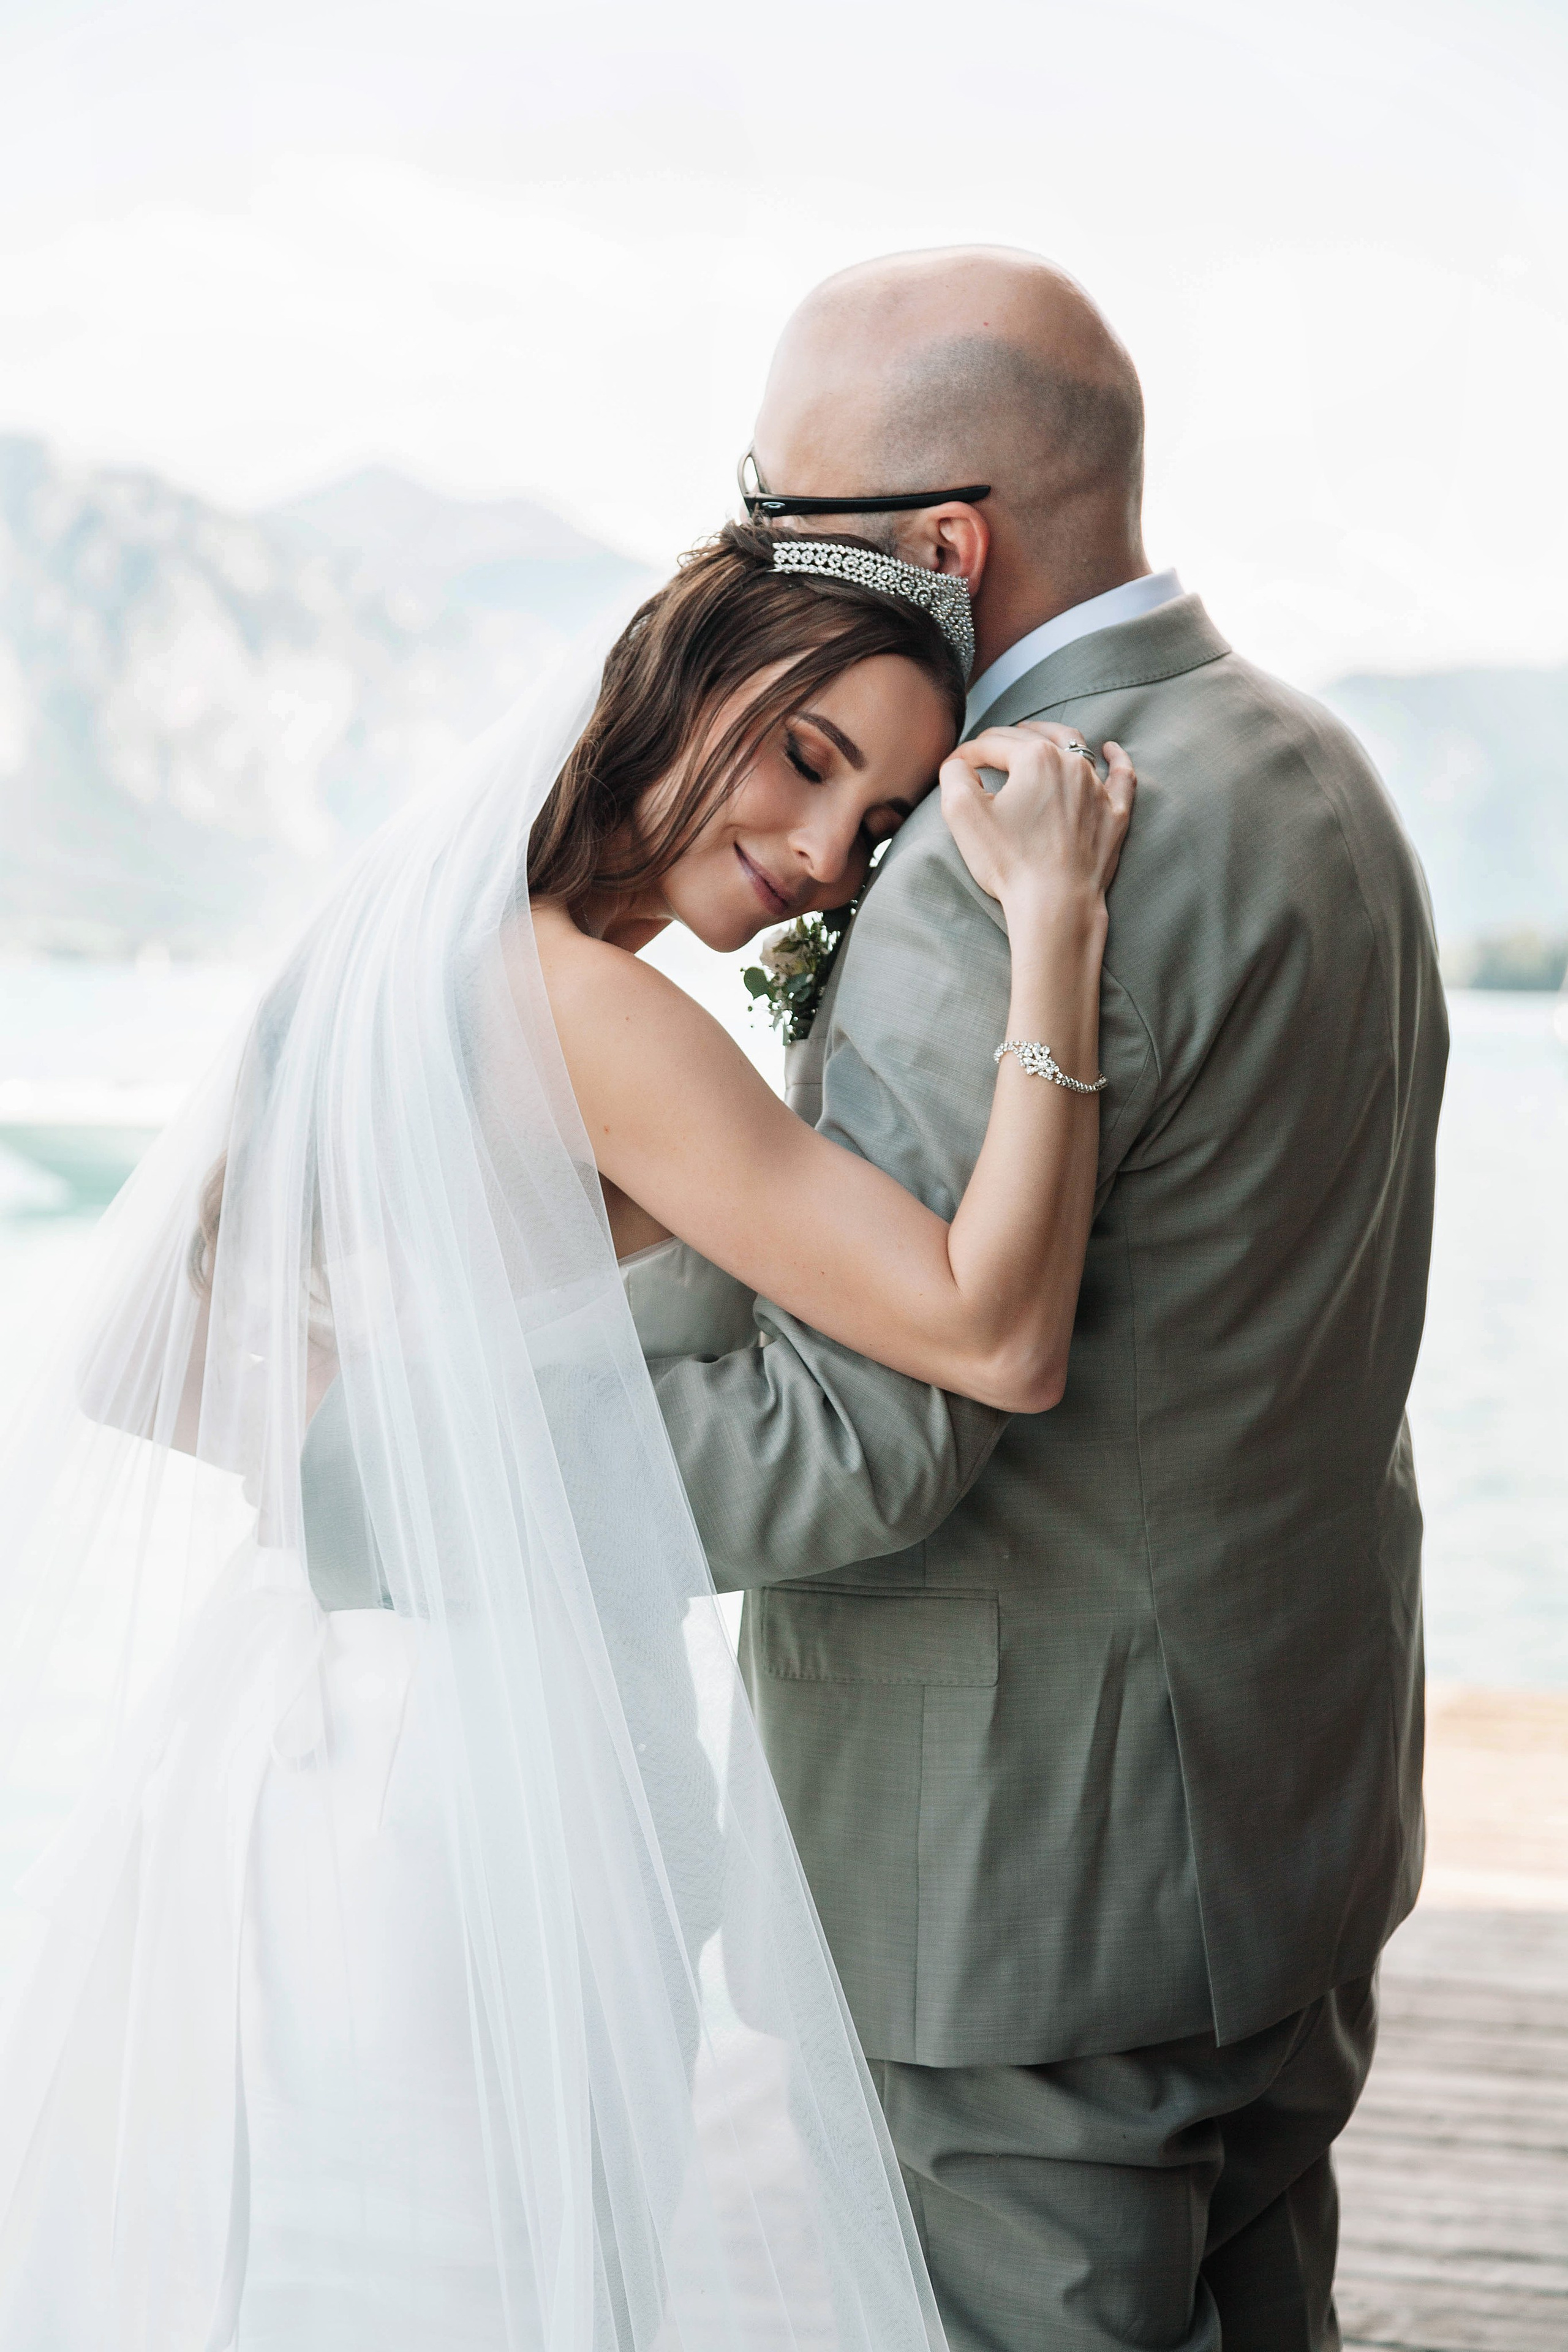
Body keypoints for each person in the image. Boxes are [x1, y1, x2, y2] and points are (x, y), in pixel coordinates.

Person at [0, 521, 1131, 2348]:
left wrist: (403, 1451)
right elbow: (992, 1333)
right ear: (688, 676)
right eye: (807, 755)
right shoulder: (592, 1012)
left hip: (324, 1743)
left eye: (874, 829)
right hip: (486, 1786)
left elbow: (135, 1349)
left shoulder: (396, 953)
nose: (820, 851)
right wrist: (1060, 930)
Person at [640, 248, 1449, 2352]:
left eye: (772, 509)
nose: (743, 552)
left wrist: (392, 1457)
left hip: (1027, 1895)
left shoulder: (980, 880)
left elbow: (869, 1435)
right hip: (1290, 1813)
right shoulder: (1321, 778)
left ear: (942, 547)